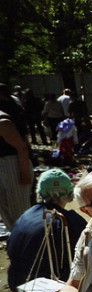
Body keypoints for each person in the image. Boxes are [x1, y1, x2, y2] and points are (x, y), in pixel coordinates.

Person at [7, 169, 87, 292]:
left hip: (18, 283)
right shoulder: (68, 220)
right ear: (70, 192)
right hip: (46, 288)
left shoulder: (26, 215)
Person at [0, 88, 33, 232]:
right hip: (4, 166)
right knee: (7, 212)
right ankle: (17, 246)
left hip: (14, 165)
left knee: (19, 215)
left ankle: (26, 247)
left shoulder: (3, 122)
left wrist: (24, 173)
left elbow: (22, 148)